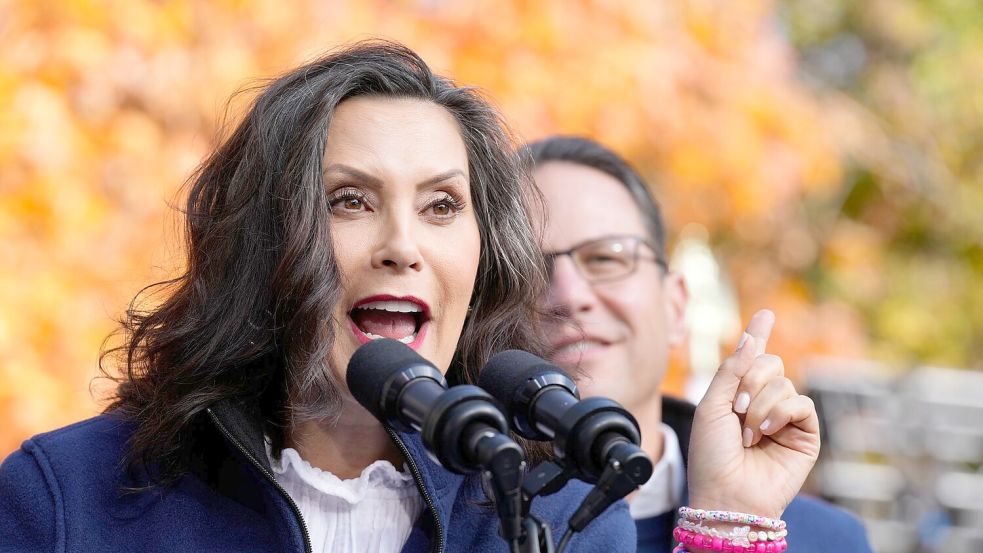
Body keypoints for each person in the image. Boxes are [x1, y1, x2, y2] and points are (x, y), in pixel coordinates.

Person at [0, 43, 637, 553]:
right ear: (262, 241)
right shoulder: (64, 497)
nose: (401, 246)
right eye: (349, 201)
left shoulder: (565, 516)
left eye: (441, 205)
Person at [526, 135, 875, 552]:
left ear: (675, 307)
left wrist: (730, 527)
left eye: (606, 258)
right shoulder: (439, 528)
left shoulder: (826, 542)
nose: (568, 296)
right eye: (527, 269)